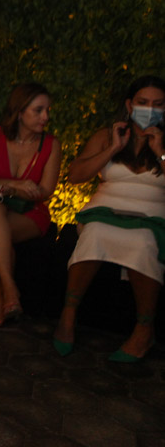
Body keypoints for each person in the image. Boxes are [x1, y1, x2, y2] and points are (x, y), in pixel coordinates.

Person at [53, 75, 165, 362]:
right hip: (105, 210)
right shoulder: (108, 135)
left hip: (152, 216)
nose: (150, 109)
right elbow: (75, 176)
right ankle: (68, 314)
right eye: (143, 102)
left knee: (143, 242)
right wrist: (113, 148)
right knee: (95, 233)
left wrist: (160, 153)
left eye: (158, 104)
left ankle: (144, 329)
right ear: (129, 105)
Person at [0, 83, 63, 327]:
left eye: (48, 110)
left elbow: (46, 191)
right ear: (19, 112)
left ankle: (3, 299)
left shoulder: (51, 144)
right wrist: (12, 185)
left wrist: (25, 192)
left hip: (29, 211)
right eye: (38, 110)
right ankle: (10, 289)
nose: (46, 117)